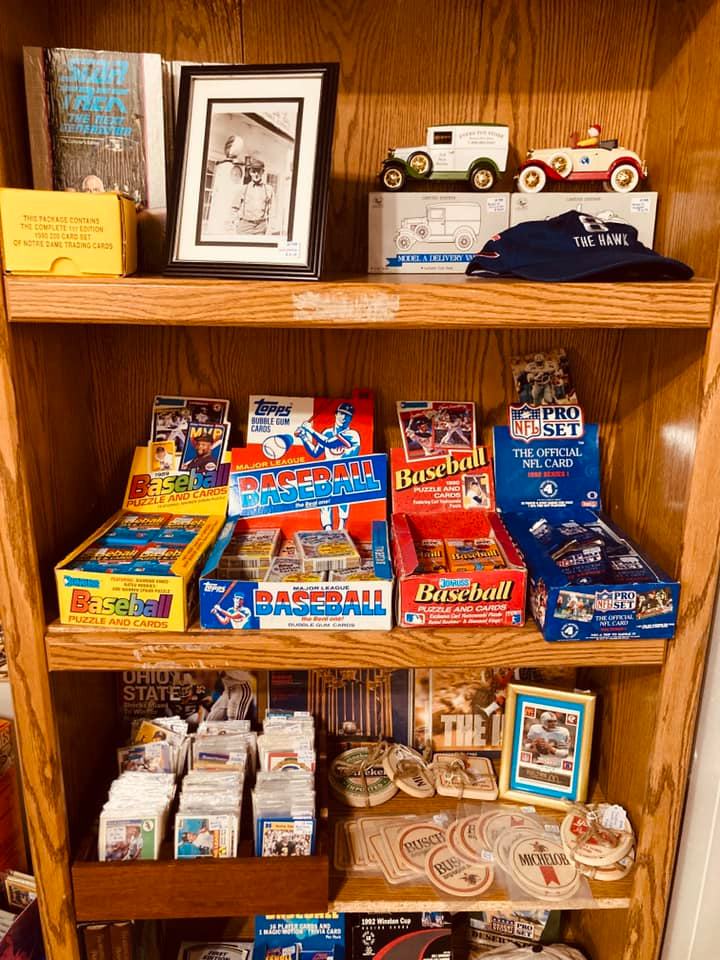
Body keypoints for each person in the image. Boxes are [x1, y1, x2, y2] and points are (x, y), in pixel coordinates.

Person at [297, 402, 361, 529]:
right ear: (336, 414)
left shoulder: (353, 435)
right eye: (341, 414)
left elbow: (329, 443)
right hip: (327, 473)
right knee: (324, 501)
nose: (343, 418)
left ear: (351, 419)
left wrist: (309, 429)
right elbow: (315, 453)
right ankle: (327, 530)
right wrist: (303, 437)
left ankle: (342, 528)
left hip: (345, 473)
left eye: (347, 415)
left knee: (343, 499)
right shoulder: (326, 432)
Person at [233, 159, 274, 235]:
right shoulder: (243, 189)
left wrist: (270, 228)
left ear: (263, 172)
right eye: (254, 171)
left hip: (260, 227)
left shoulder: (269, 189)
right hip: (245, 227)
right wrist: (236, 223)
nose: (256, 174)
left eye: (259, 171)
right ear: (250, 172)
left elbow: (272, 211)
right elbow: (234, 208)